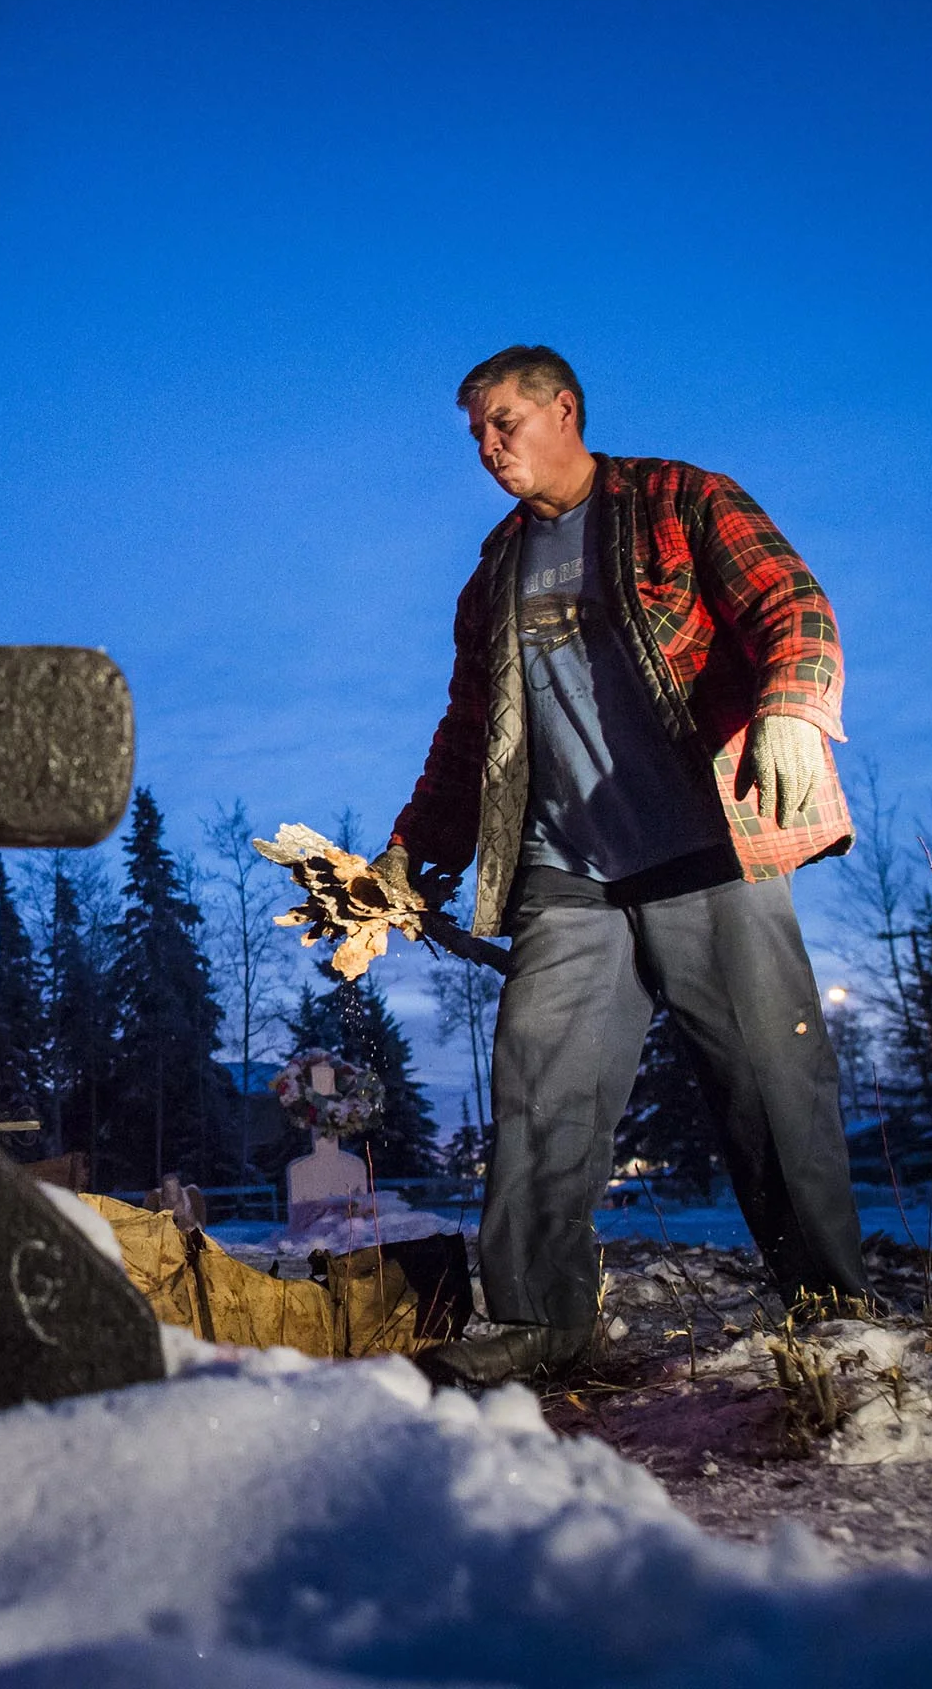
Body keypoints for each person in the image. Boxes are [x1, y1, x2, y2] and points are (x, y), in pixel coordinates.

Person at [379, 345, 869, 1387]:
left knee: (772, 1088)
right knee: (538, 1091)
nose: (488, 445)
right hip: (568, 873)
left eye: (504, 420)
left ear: (565, 409)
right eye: (474, 432)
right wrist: (408, 852)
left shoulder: (678, 500)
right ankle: (539, 1321)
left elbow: (793, 604)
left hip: (704, 844)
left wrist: (791, 703)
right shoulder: (493, 575)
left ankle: (830, 1308)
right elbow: (470, 734)